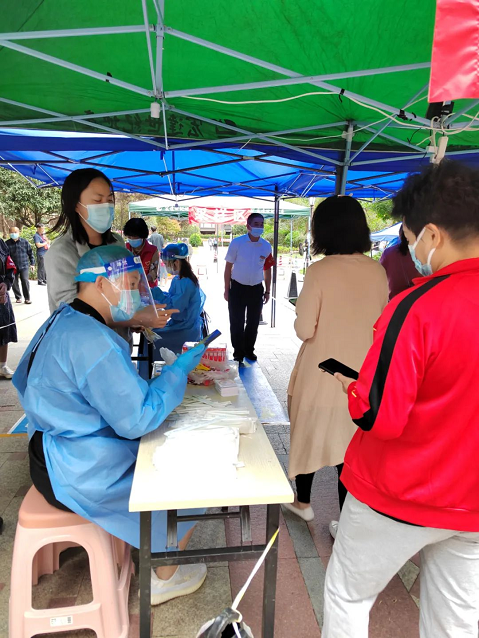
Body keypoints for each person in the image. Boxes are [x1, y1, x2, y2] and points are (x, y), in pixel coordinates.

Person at [324, 161, 479, 637]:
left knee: (348, 597)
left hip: (399, 491)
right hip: (471, 503)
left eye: (408, 238)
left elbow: (380, 415)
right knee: (456, 621)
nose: (409, 250)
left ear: (431, 235)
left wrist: (354, 390)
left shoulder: (416, 307)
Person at [14, 245, 208, 605]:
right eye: (131, 284)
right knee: (186, 481)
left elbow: (24, 380)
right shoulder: (94, 341)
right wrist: (177, 372)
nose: (136, 293)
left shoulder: (63, 318)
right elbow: (137, 419)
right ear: (102, 284)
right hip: (78, 470)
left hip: (48, 449)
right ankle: (165, 576)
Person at [284, 196, 388, 537]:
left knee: (310, 432)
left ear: (323, 231)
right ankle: (346, 521)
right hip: (361, 372)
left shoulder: (319, 271)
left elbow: (304, 329)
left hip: (322, 369)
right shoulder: (377, 270)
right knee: (350, 442)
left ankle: (303, 503)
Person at [45, 168, 124, 313]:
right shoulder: (60, 252)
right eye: (97, 200)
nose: (106, 206)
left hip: (123, 328)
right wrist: (131, 318)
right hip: (84, 328)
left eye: (109, 200)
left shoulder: (118, 243)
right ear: (76, 204)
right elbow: (71, 310)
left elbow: (129, 289)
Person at [140, 243, 205, 370]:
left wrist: (156, 294)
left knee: (152, 338)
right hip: (179, 324)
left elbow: (175, 307)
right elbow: (171, 297)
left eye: (166, 263)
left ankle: (151, 371)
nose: (165, 266)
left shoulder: (186, 282)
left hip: (186, 329)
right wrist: (155, 295)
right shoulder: (178, 279)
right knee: (150, 334)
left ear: (176, 262)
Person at [224, 214, 272, 363]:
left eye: (261, 224)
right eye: (256, 224)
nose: (259, 227)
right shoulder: (237, 243)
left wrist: (268, 290)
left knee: (253, 322)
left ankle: (249, 350)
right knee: (236, 322)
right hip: (237, 287)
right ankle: (238, 352)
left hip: (256, 288)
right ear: (248, 226)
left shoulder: (266, 246)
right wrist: (226, 289)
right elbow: (228, 267)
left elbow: (268, 269)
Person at [380, 224, 421, 299]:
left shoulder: (388, 253)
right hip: (421, 297)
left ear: (400, 234)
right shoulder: (423, 252)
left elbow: (380, 276)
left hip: (396, 299)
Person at [123, 218, 159, 288]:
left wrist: (141, 280)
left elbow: (153, 273)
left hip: (148, 288)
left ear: (143, 236)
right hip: (129, 289)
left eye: (135, 237)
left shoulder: (152, 251)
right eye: (129, 237)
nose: (132, 239)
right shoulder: (125, 248)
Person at [0, 239, 18, 379]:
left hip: (1, 295)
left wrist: (6, 284)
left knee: (4, 328)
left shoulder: (1, 244)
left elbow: (10, 267)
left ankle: (2, 366)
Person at [7, 227, 35, 305]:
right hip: (12, 267)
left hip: (24, 265)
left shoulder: (25, 242)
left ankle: (27, 298)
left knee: (25, 281)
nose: (13, 234)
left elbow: (30, 253)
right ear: (9, 233)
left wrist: (32, 264)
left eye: (15, 232)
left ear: (19, 232)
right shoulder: (7, 244)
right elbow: (5, 256)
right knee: (14, 282)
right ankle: (18, 297)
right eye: (12, 232)